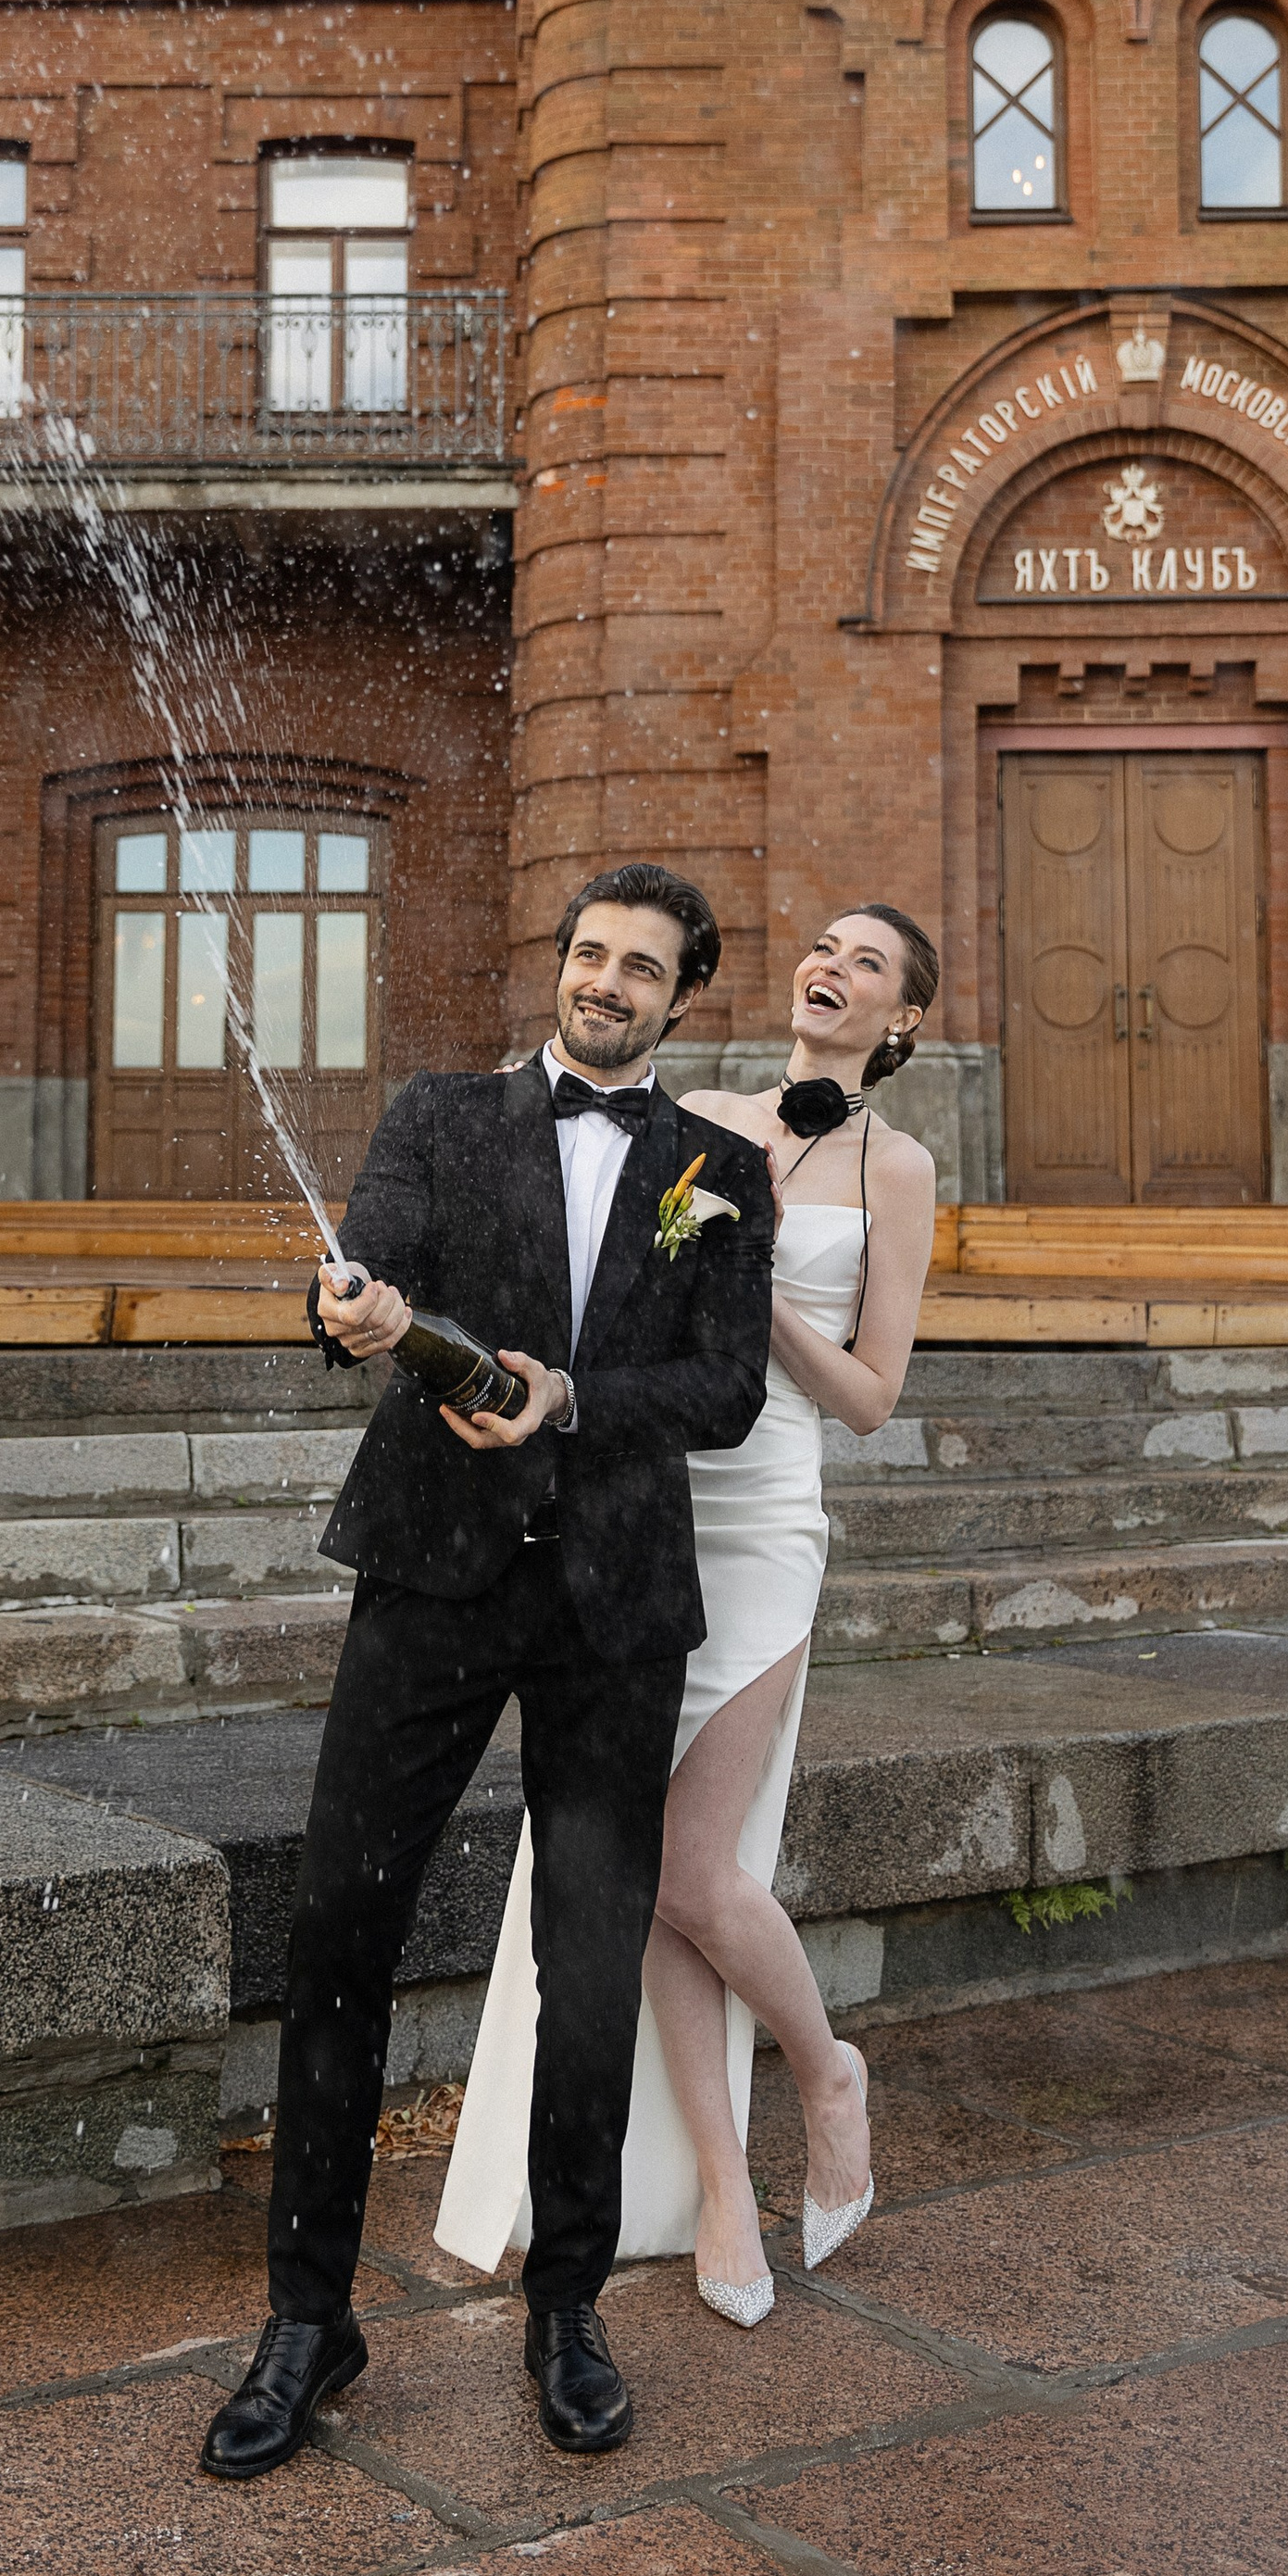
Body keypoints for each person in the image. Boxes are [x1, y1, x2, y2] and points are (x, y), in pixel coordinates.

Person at [200, 861, 775, 2480]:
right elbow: (369, 1261)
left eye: (640, 968)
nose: (604, 983)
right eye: (588, 955)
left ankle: (566, 2309)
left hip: (613, 1612)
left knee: (589, 1974)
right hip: (432, 1580)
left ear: (681, 996)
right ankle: (308, 2326)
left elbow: (726, 1391)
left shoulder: (719, 1171)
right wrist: (355, 1310)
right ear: (564, 967)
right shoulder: (440, 1116)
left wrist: (571, 1398)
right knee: (339, 1932)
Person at [438, 904, 940, 2324]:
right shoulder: (700, 1111)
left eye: (867, 964)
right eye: (823, 947)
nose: (830, 967)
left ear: (899, 1019)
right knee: (635, 1864)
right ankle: (722, 2185)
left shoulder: (895, 1169)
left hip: (770, 1514)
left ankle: (829, 2068)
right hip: (647, 1505)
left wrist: (756, 1285)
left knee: (695, 1868)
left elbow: (873, 1397)